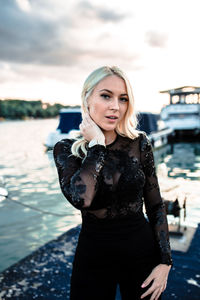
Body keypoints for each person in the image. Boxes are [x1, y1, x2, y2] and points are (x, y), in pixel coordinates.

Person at [53, 66, 172, 300]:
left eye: (123, 99)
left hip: (141, 251)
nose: (115, 106)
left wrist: (165, 262)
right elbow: (81, 198)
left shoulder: (140, 143)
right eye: (106, 96)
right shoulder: (66, 149)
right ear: (87, 99)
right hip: (93, 255)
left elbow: (155, 203)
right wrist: (96, 146)